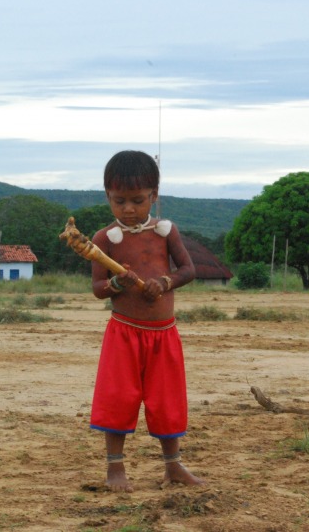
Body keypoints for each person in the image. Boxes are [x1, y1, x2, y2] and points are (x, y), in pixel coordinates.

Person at [88, 150, 204, 491]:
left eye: (138, 201)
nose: (128, 209)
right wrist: (114, 284)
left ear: (154, 195)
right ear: (107, 195)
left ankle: (173, 466)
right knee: (119, 397)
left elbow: (188, 270)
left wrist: (165, 282)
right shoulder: (102, 240)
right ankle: (115, 469)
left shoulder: (166, 232)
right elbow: (97, 289)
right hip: (124, 333)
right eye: (119, 200)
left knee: (167, 399)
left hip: (164, 334)